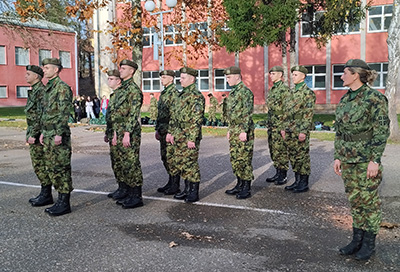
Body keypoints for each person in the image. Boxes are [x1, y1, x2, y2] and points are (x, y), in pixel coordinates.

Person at [333, 59, 390, 261]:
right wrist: (337, 156)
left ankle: (369, 243)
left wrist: (375, 160)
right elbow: (339, 132)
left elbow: (381, 131)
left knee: (369, 202)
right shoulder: (345, 100)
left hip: (366, 159)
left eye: (344, 72)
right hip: (348, 159)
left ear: (355, 74)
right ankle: (357, 239)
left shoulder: (375, 98)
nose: (341, 76)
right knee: (355, 201)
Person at [39, 58, 73, 216]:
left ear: (56, 70)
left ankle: (64, 202)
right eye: (44, 68)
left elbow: (64, 112)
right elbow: (46, 114)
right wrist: (42, 133)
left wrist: (59, 133)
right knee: (52, 167)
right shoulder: (49, 88)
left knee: (61, 167)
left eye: (47, 68)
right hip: (48, 134)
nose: (44, 70)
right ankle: (59, 198)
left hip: (58, 134)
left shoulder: (62, 88)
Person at [166, 67, 205, 203]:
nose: (180, 80)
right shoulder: (180, 95)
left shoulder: (196, 96)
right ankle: (187, 189)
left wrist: (192, 138)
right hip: (178, 134)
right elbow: (174, 116)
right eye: (180, 77)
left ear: (192, 79)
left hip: (188, 135)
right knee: (181, 162)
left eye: (183, 78)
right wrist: (170, 132)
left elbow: (196, 119)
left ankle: (194, 191)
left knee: (190, 163)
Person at [112, 59, 144, 209]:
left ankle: (136, 196)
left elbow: (133, 114)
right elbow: (116, 114)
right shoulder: (122, 89)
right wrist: (114, 132)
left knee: (132, 164)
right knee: (123, 163)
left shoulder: (133, 90)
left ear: (131, 71)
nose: (121, 71)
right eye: (121, 68)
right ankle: (128, 192)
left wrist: (127, 133)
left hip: (129, 133)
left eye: (124, 68)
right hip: (119, 131)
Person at [280, 66, 316, 193]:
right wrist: (283, 128)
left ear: (303, 76)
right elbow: (285, 112)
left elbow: (308, 114)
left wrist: (303, 131)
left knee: (302, 156)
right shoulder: (290, 92)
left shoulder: (308, 93)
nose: (293, 77)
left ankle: (304, 182)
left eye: (296, 74)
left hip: (299, 129)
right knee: (293, 156)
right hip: (289, 128)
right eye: (293, 74)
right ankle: (297, 180)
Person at [224, 66, 254, 199]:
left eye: (229, 77)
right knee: (235, 159)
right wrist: (230, 130)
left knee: (244, 159)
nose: (227, 80)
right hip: (234, 129)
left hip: (242, 130)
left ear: (237, 76)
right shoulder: (234, 92)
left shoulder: (245, 92)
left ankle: (246, 188)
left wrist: (243, 130)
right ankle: (239, 184)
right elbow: (231, 114)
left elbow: (247, 113)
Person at [25, 65, 52, 207]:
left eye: (28, 74)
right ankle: (44, 192)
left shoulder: (40, 92)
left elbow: (41, 116)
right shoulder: (34, 91)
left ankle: (46, 194)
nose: (25, 76)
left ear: (36, 76)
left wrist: (34, 134)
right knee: (38, 165)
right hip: (34, 133)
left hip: (38, 135)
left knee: (41, 164)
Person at [155, 70, 179, 195]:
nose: (162, 79)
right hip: (163, 130)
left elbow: (175, 115)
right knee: (165, 157)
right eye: (161, 77)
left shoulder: (173, 93)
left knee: (171, 158)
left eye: (164, 77)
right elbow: (160, 115)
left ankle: (175, 184)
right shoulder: (164, 93)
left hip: (169, 130)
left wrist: (171, 132)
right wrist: (157, 129)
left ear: (171, 79)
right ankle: (170, 181)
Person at [265, 66, 290, 185]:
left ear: (280, 75)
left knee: (281, 150)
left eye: (274, 74)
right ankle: (277, 172)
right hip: (272, 124)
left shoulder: (284, 90)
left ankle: (283, 174)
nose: (271, 76)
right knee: (273, 149)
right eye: (270, 74)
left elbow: (287, 110)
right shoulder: (273, 89)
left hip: (280, 124)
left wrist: (284, 127)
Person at [103, 69, 126, 201]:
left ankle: (127, 190)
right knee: (116, 163)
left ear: (118, 81)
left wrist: (117, 134)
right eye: (109, 78)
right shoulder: (114, 95)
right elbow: (111, 118)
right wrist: (108, 132)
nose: (109, 81)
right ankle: (121, 187)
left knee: (123, 162)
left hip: (120, 133)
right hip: (113, 133)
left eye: (111, 79)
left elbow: (120, 118)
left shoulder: (121, 94)